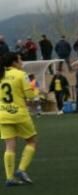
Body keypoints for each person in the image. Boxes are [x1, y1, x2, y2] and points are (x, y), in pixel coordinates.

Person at [0, 53, 40, 186]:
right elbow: (30, 95)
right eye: (20, 60)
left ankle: (9, 178)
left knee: (9, 146)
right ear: (14, 62)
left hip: (3, 114)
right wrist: (34, 91)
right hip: (19, 114)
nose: (21, 62)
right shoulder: (20, 74)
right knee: (32, 141)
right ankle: (21, 170)